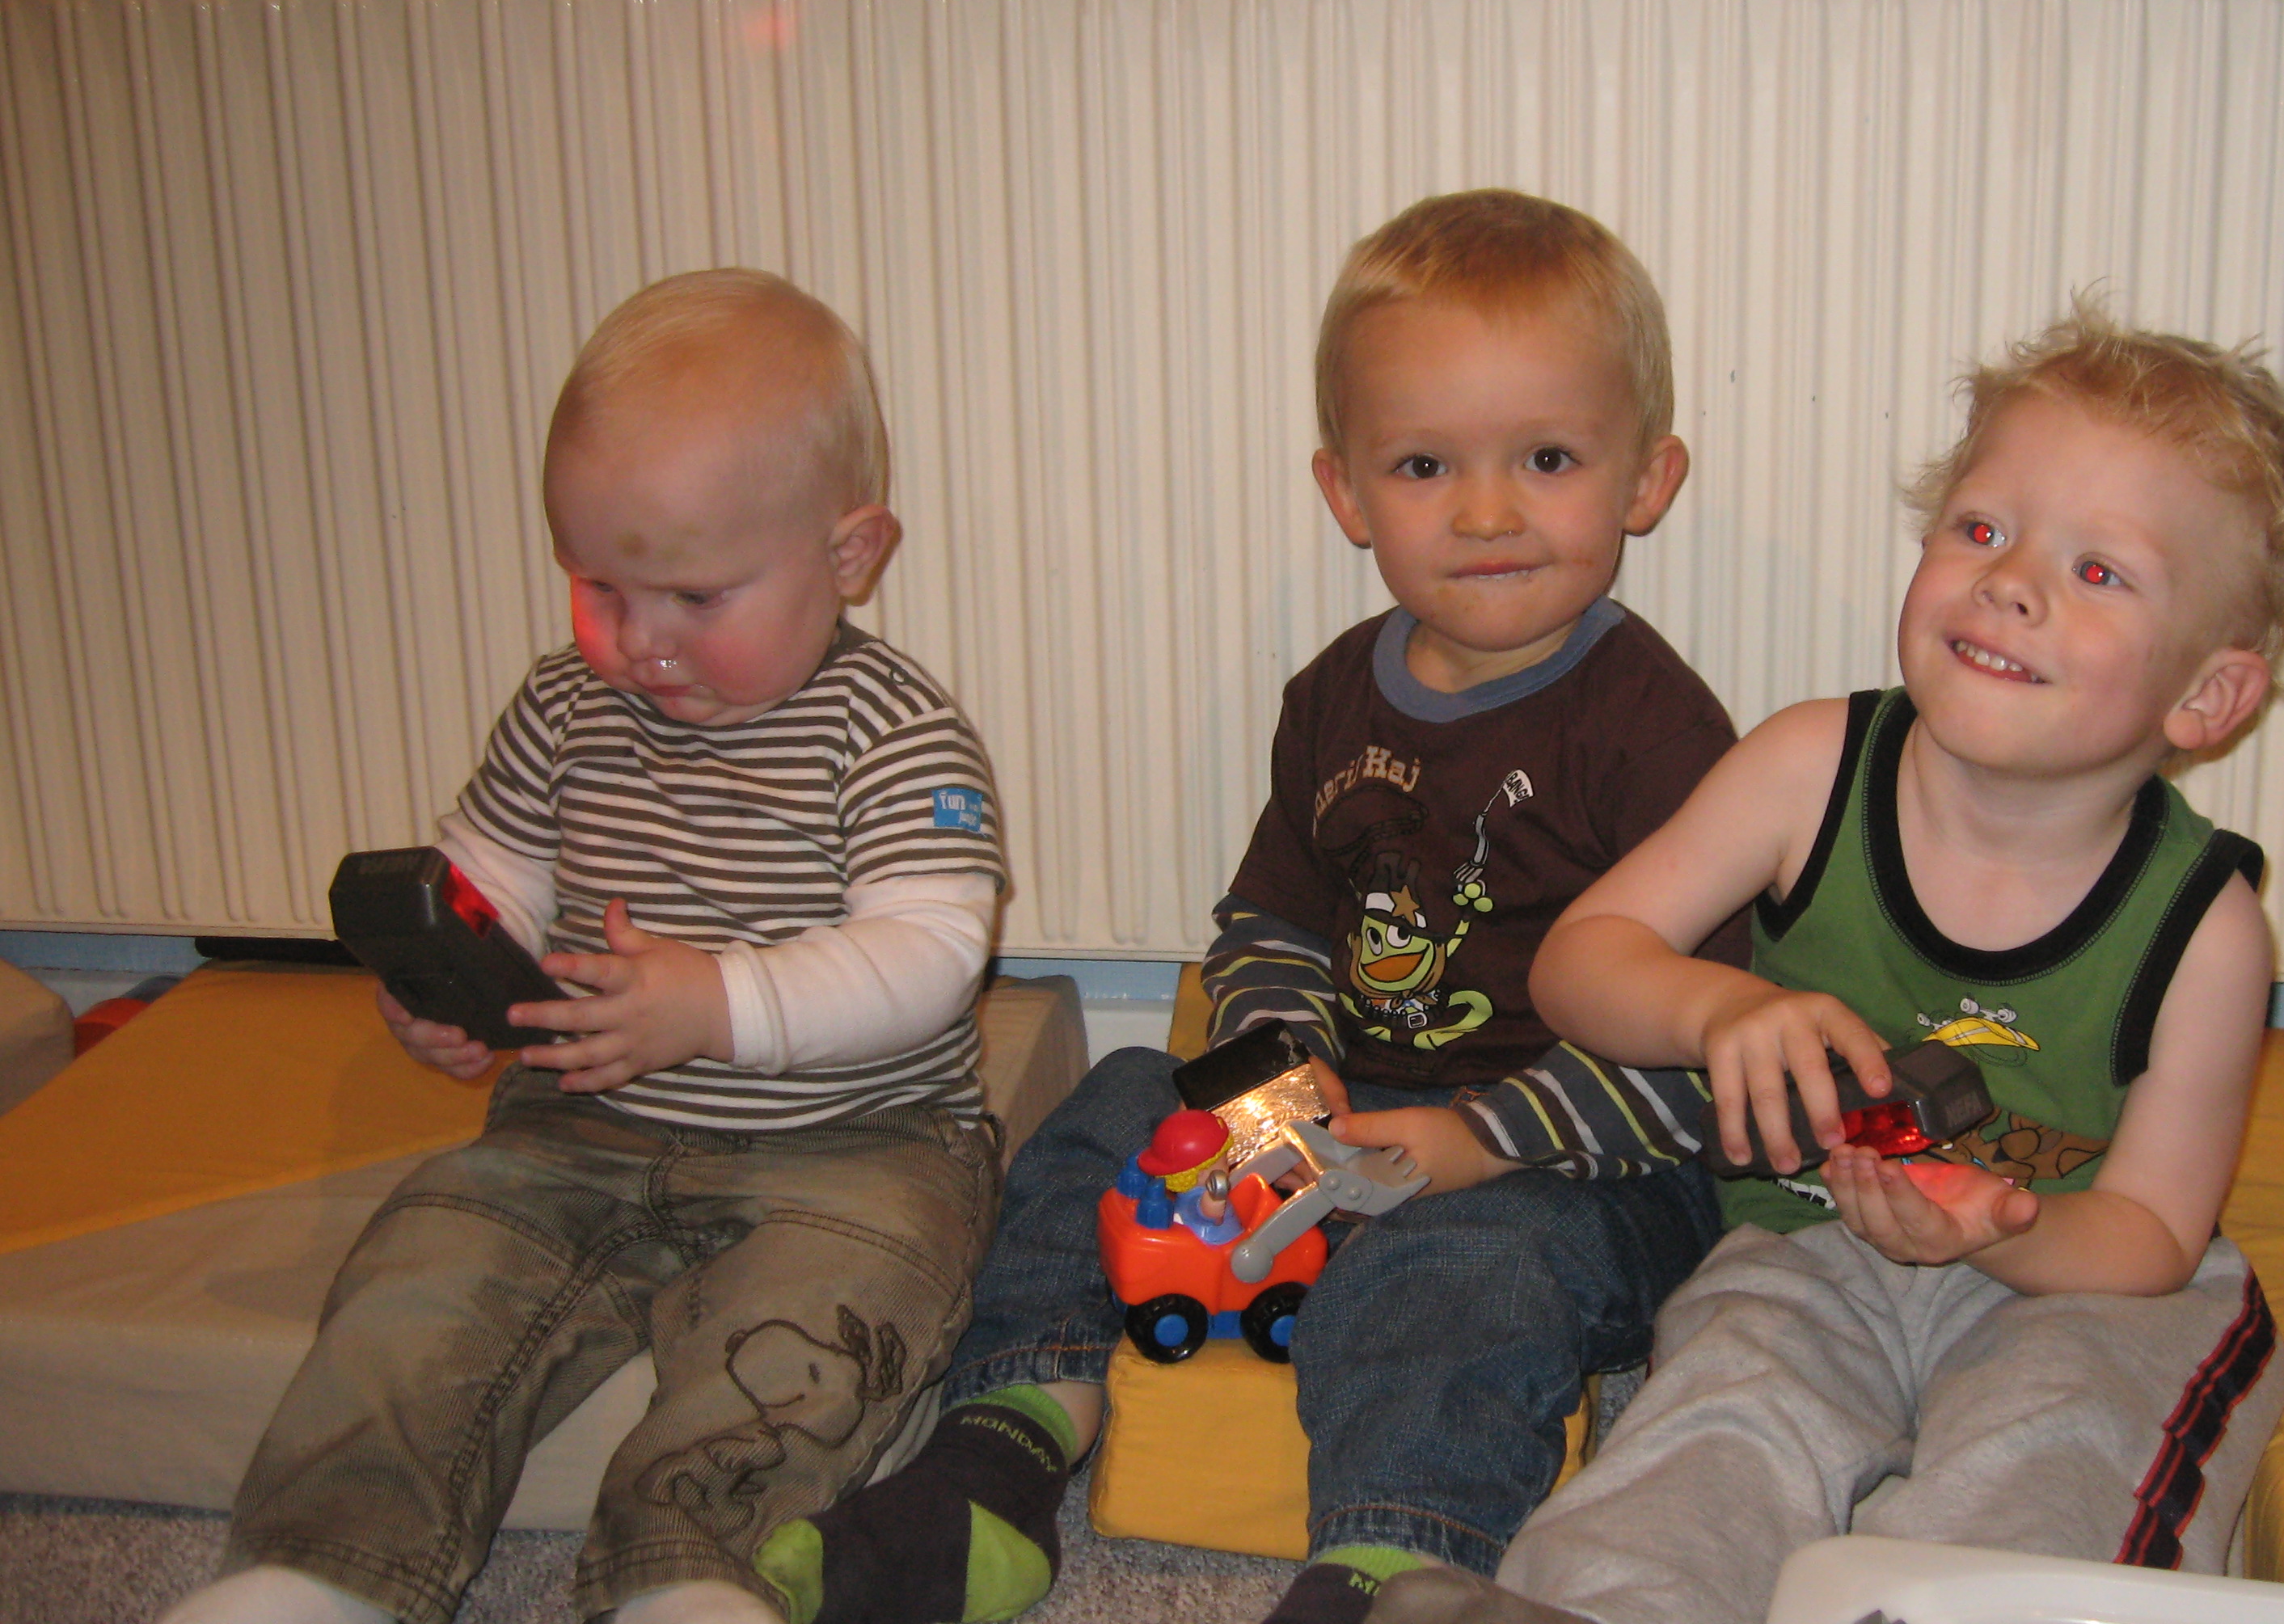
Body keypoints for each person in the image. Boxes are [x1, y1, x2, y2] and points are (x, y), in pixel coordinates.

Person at [755, 189, 1737, 1624]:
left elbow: (1700, 1053)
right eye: (1423, 464)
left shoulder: (1655, 730)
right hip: (1349, 1112)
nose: (1486, 512)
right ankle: (1005, 1451)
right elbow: (1273, 924)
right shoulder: (1334, 696)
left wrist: (1474, 1143)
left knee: (1466, 1271)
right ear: (1346, 494)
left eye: (1546, 458)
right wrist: (1280, 1074)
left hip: (1571, 1159)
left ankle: (1391, 1558)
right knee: (1113, 1105)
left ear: (1646, 479)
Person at [1374, 302, 2284, 1624]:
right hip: (1806, 1246)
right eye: (1982, 529)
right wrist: (1717, 1007)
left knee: (2049, 1452)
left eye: (2098, 570)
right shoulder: (1810, 765)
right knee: (1717, 1420)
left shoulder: (2207, 932)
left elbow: (2154, 1235)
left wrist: (1997, 1228)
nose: (2011, 582)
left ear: (2206, 698)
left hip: (2074, 1284)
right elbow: (1581, 963)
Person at [158, 269, 1009, 1624]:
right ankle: (320, 1568)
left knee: (800, 1353)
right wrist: (456, 982)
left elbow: (929, 951)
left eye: (696, 596)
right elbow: (490, 872)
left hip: (851, 1149)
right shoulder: (566, 706)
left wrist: (717, 1004)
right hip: (572, 1130)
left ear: (850, 556)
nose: (641, 640)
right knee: (418, 1290)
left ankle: (688, 1578)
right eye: (599, 587)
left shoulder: (892, 729)